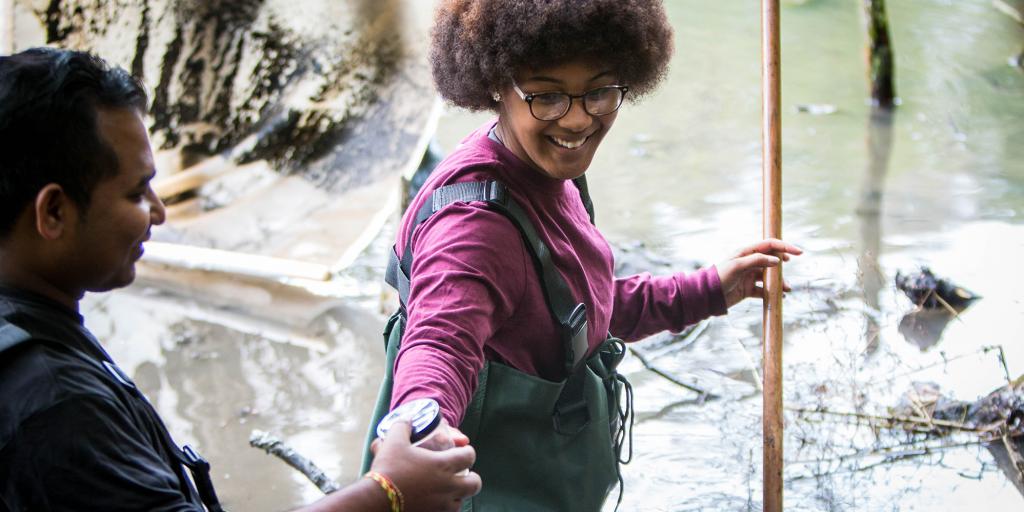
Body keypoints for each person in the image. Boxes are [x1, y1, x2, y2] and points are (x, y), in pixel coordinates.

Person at [0, 47, 481, 512]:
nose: (159, 211)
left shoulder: (33, 333)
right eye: (135, 192)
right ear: (55, 212)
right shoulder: (54, 404)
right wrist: (387, 494)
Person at [365, 0, 803, 510]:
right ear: (495, 86)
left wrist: (705, 291)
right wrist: (418, 421)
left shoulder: (547, 170)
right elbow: (440, 341)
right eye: (547, 96)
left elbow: (572, 313)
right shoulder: (474, 226)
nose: (576, 119)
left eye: (598, 92)